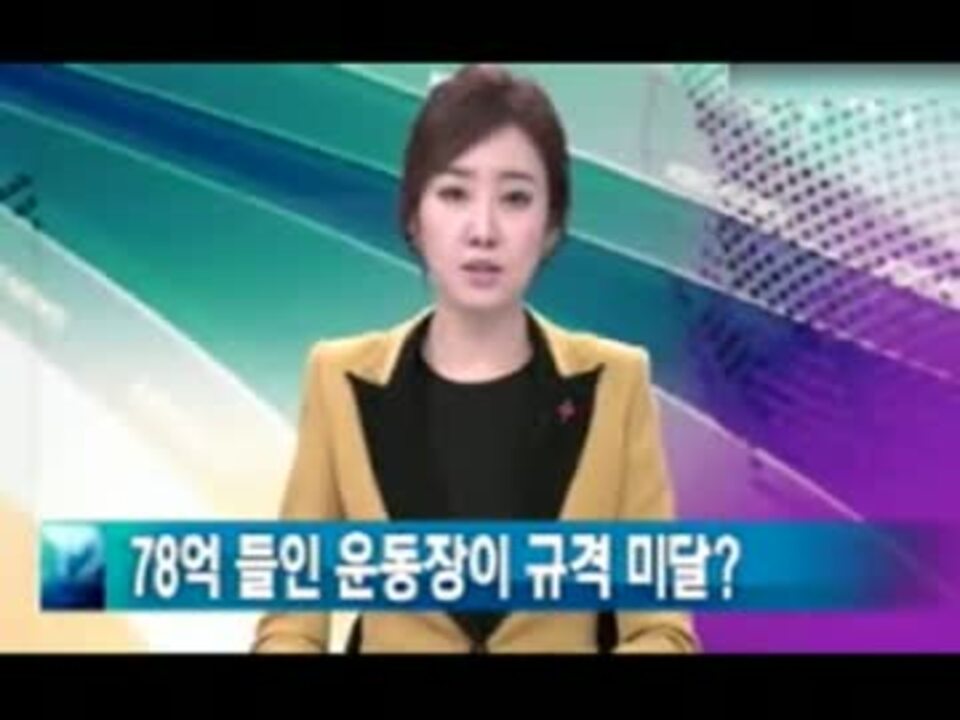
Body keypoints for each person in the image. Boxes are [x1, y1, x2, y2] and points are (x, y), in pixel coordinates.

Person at [251, 64, 699, 654]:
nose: (483, 230)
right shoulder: (339, 378)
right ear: (415, 216)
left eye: (515, 198)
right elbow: (290, 627)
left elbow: (661, 630)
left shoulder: (617, 382)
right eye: (454, 193)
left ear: (551, 225)